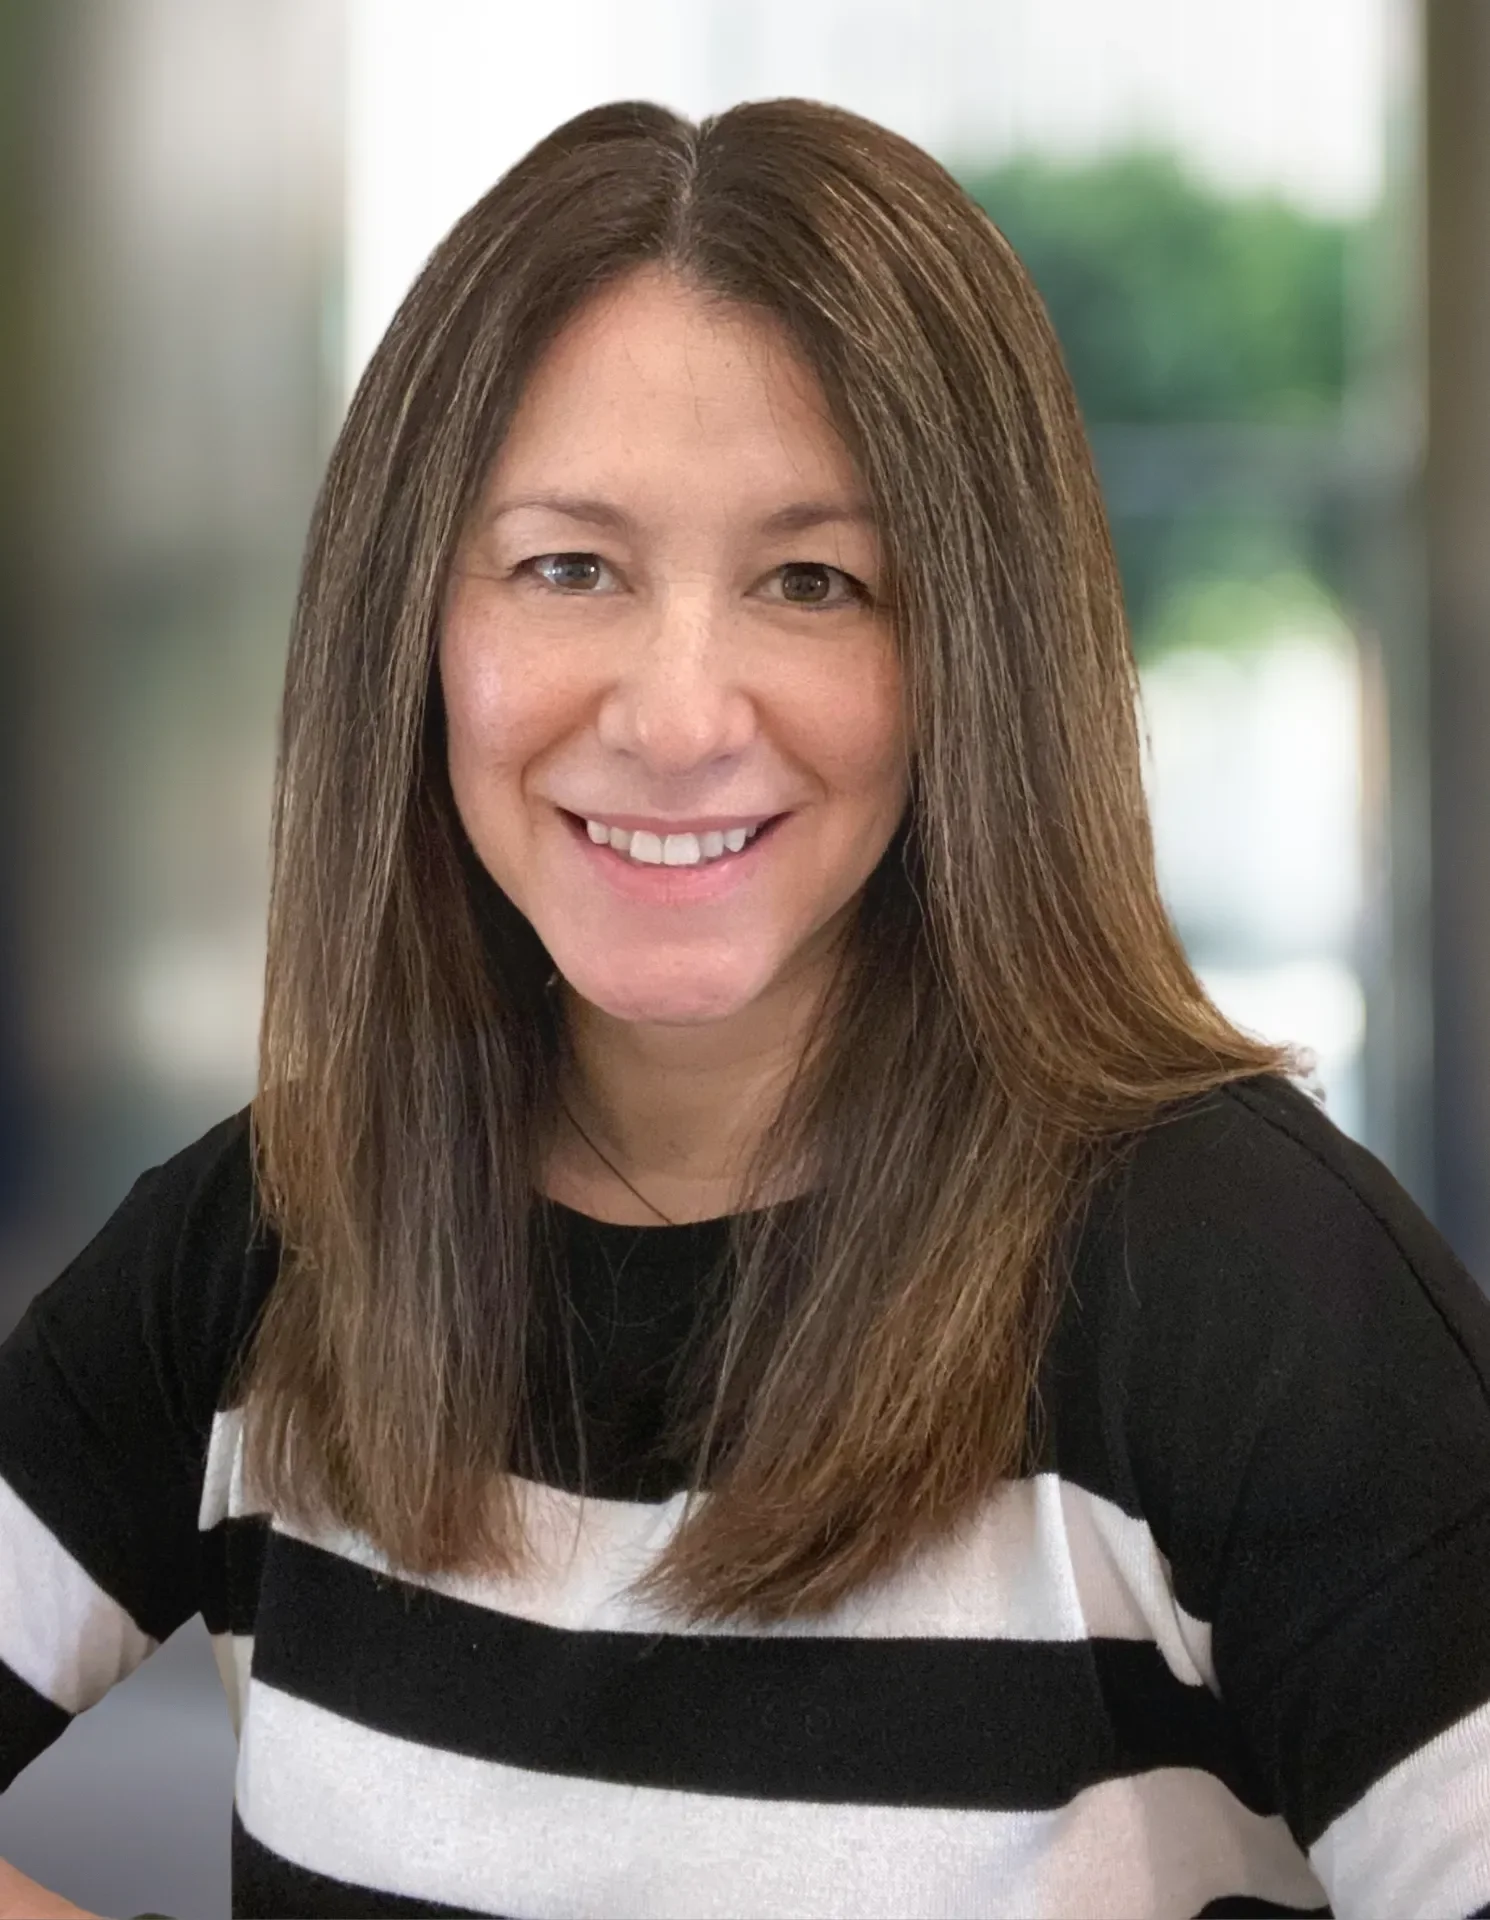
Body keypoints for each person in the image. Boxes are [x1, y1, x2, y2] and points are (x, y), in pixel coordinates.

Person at [2, 95, 1489, 1920]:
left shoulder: (1254, 1297)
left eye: (813, 580)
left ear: (974, 651)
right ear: (414, 624)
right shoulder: (271, 1241)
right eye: (569, 565)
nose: (680, 713)